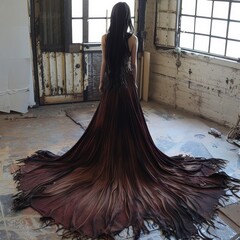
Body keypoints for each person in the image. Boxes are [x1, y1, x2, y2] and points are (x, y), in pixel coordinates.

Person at [13, 2, 239, 240]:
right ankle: (126, 155)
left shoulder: (105, 37)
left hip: (111, 88)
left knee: (106, 126)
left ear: (113, 17)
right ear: (128, 17)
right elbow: (133, 66)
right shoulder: (133, 40)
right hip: (125, 88)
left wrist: (101, 83)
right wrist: (136, 86)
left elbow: (104, 65)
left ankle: (110, 155)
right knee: (131, 129)